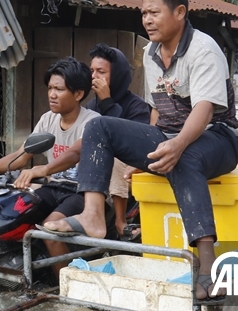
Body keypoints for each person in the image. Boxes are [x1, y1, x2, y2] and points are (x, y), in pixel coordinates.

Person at [40, 0, 238, 301]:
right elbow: (157, 110)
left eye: (154, 12)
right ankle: (93, 215)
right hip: (168, 134)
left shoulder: (203, 49)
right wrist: (145, 154)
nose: (147, 20)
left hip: (218, 137)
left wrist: (175, 145)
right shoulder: (150, 52)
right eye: (144, 13)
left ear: (179, 12)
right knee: (99, 127)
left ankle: (208, 265)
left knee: (182, 156)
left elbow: (204, 110)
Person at [0, 57, 97, 274]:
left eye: (59, 89)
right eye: (50, 88)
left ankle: (65, 286)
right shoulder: (48, 119)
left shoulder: (93, 122)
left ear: (78, 94)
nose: (52, 94)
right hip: (52, 187)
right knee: (6, 214)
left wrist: (42, 169)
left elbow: (75, 152)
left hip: (81, 192)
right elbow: (20, 157)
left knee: (50, 229)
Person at [15, 43, 150, 237]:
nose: (94, 77)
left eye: (101, 72)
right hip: (90, 173)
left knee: (114, 158)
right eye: (92, 71)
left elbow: (126, 139)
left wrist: (108, 102)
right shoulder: (91, 106)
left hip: (126, 171)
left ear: (117, 74)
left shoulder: (137, 106)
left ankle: (120, 221)